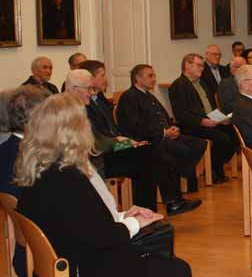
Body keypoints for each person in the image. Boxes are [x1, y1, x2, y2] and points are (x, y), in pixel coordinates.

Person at [15, 94, 199, 277]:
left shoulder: (38, 171)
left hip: (55, 275)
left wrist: (123, 217)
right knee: (177, 273)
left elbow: (80, 223)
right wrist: (135, 223)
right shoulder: (68, 178)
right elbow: (102, 237)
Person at [75, 64, 200, 216]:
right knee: (153, 155)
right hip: (102, 157)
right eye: (102, 75)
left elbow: (115, 131)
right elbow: (96, 141)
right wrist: (125, 142)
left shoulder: (99, 100)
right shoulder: (79, 107)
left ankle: (155, 210)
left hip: (116, 148)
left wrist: (130, 142)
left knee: (151, 154)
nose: (106, 79)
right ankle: (162, 206)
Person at [117, 64, 208, 194]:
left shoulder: (148, 95)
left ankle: (182, 175)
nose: (154, 79)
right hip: (147, 140)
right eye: (150, 76)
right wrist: (163, 133)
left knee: (198, 144)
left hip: (163, 135)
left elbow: (163, 116)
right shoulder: (129, 97)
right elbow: (135, 127)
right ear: (138, 78)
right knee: (181, 150)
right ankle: (176, 190)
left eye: (154, 75)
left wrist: (172, 128)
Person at [0, 86, 48, 277]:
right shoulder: (28, 154)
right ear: (34, 117)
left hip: (29, 248)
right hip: (43, 255)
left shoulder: (5, 150)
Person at [169, 53, 237, 184]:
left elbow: (210, 107)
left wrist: (221, 118)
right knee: (222, 138)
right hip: (192, 125)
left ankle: (214, 166)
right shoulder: (179, 85)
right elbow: (181, 114)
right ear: (187, 65)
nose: (202, 68)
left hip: (209, 120)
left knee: (235, 133)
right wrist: (202, 121)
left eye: (202, 66)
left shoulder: (202, 83)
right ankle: (212, 169)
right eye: (199, 65)